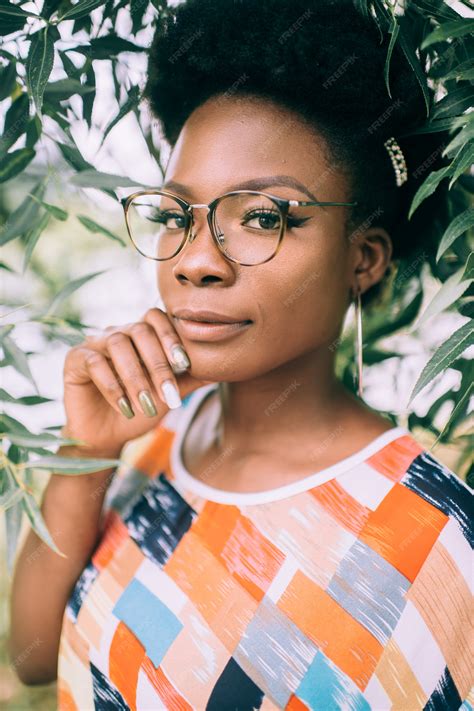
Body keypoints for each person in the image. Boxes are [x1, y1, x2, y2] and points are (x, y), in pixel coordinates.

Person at [9, 0, 472, 709]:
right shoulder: (158, 429)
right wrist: (85, 455)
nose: (197, 261)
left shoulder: (436, 544)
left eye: (263, 217)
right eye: (176, 215)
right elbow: (34, 655)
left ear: (365, 259)